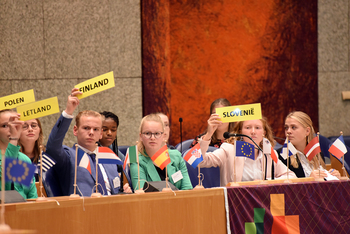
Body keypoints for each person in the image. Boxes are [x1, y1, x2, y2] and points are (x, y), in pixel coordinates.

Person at [46, 88, 132, 196]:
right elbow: (52, 146)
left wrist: (124, 192)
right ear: (75, 130)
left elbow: (115, 191)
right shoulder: (68, 156)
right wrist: (68, 112)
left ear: (101, 133)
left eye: (95, 129)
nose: (91, 132)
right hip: (83, 210)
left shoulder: (109, 158)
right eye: (86, 128)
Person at [199, 114, 296, 186]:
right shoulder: (229, 150)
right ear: (240, 132)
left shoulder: (269, 154)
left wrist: (266, 182)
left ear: (264, 133)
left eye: (257, 128)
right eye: (248, 128)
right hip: (235, 205)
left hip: (261, 205)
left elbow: (291, 176)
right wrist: (208, 135)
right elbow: (200, 161)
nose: (253, 132)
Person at [130, 114, 193, 191]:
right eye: (147, 133)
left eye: (157, 134)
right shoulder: (135, 159)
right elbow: (141, 192)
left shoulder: (176, 156)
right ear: (141, 137)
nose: (152, 138)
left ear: (163, 136)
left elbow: (188, 189)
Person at [279, 111, 341, 179]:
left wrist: (333, 177)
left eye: (293, 127)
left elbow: (322, 183)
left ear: (307, 131)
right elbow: (285, 187)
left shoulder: (317, 152)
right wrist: (309, 180)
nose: (288, 131)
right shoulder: (281, 155)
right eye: (286, 128)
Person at [0, 109, 37, 199]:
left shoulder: (24, 159)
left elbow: (32, 196)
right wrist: (13, 139)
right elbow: (6, 190)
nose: (12, 129)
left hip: (24, 211)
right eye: (5, 125)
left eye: (16, 125)